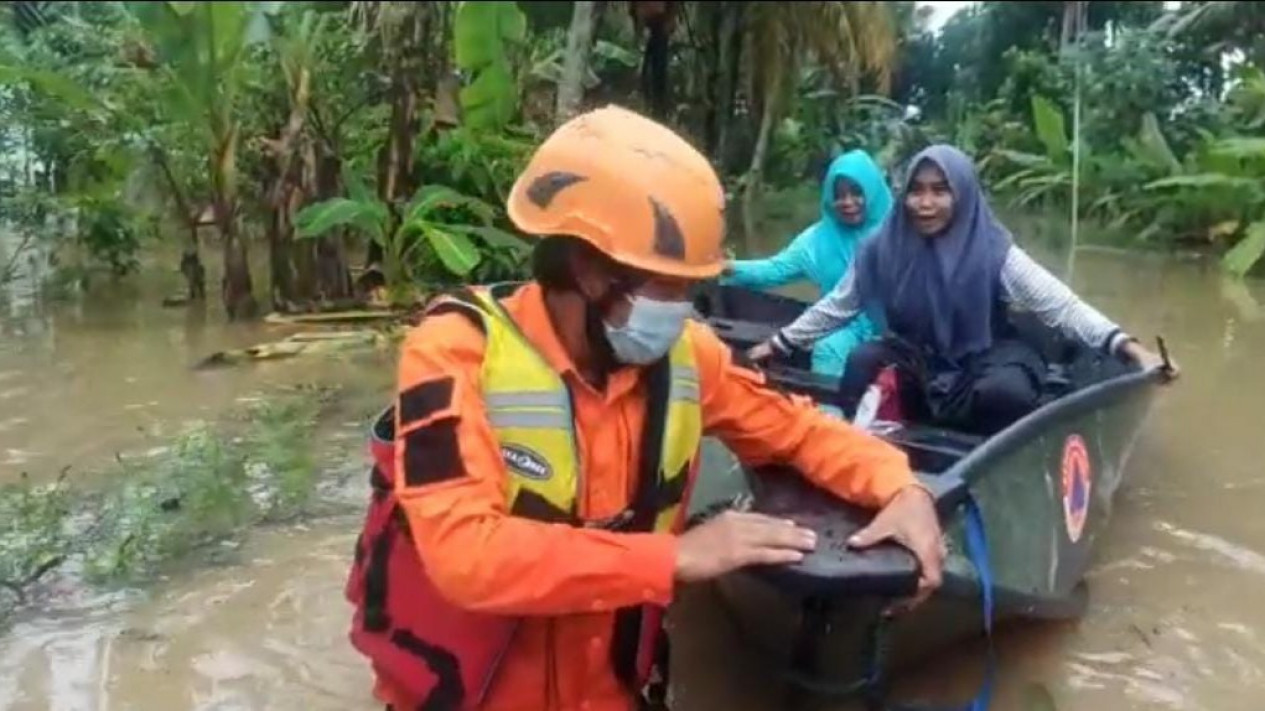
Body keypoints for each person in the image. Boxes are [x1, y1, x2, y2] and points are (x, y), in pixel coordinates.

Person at [344, 105, 945, 711]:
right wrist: (678, 556)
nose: (685, 307)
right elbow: (464, 555)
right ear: (589, 269)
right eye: (670, 286)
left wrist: (901, 488)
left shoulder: (689, 357)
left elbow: (798, 430)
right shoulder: (454, 349)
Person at [748, 144, 1176, 436]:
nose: (925, 203)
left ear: (964, 195)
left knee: (1004, 394)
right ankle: (874, 444)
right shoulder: (882, 247)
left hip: (985, 353)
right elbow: (837, 308)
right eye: (916, 191)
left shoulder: (992, 249)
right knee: (861, 363)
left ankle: (991, 467)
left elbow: (1060, 307)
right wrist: (780, 343)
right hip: (918, 356)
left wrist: (1129, 349)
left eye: (940, 191)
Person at [720, 150, 892, 378]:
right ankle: (829, 410)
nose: (848, 202)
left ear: (873, 191)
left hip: (896, 328)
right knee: (828, 347)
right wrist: (724, 266)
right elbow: (774, 270)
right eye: (839, 195)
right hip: (842, 324)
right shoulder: (816, 240)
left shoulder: (901, 231)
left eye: (857, 193)